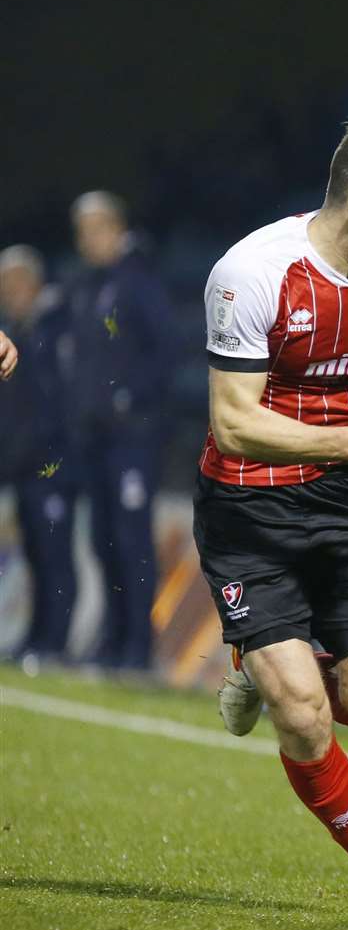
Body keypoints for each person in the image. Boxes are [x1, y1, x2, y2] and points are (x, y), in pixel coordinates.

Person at [192, 115, 348, 921]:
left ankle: (269, 672)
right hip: (249, 507)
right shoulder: (252, 273)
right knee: (304, 713)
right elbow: (234, 420)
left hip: (343, 503)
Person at [63, 191, 178, 671]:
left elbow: (167, 348)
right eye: (80, 233)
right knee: (103, 540)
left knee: (130, 540)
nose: (85, 241)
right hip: (96, 436)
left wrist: (130, 398)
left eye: (93, 230)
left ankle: (138, 647)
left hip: (132, 436)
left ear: (114, 228)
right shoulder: (88, 286)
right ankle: (112, 641)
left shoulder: (138, 281)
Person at [0, 245, 77, 661]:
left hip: (53, 461)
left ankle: (56, 642)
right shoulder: (18, 328)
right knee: (34, 553)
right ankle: (37, 636)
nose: (7, 292)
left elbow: (62, 400)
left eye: (13, 282)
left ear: (33, 282)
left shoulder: (55, 325)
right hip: (24, 463)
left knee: (54, 553)